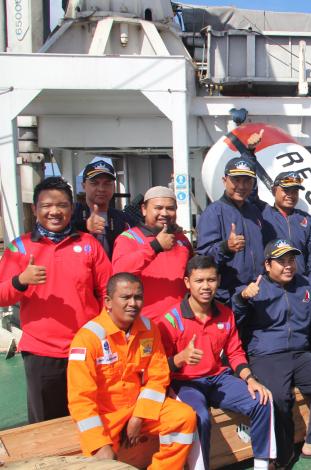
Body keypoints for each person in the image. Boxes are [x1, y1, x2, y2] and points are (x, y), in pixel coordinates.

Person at [0, 176, 111, 423]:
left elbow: (107, 292)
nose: (54, 211)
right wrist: (21, 280)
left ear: (71, 208)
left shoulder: (89, 244)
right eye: (46, 205)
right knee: (45, 426)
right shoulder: (20, 248)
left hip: (85, 348)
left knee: (89, 419)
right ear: (34, 209)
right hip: (42, 352)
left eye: (61, 205)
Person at [232, 239, 311, 465]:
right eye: (281, 261)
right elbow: (236, 319)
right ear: (267, 265)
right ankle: (282, 455)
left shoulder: (304, 285)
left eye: (291, 260)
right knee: (278, 397)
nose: (288, 266)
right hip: (266, 356)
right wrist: (243, 299)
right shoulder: (255, 287)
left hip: (299, 354)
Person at [157, 255, 275, 470]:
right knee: (198, 416)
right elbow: (157, 368)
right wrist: (179, 359)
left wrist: (250, 379)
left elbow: (235, 352)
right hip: (184, 383)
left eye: (211, 280)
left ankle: (262, 465)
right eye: (199, 281)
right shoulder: (170, 320)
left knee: (262, 399)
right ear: (187, 283)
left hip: (218, 379)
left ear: (218, 280)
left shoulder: (226, 313)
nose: (205, 286)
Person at [67, 273, 196, 468]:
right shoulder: (87, 339)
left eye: (138, 297)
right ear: (108, 302)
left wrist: (139, 416)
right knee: (104, 461)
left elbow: (158, 376)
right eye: (126, 297)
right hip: (104, 416)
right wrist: (98, 443)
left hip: (139, 408)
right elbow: (80, 398)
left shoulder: (148, 329)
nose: (133, 303)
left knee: (183, 417)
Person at [112, 186, 193, 320]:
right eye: (158, 208)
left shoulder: (182, 240)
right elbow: (119, 273)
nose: (165, 213)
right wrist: (155, 246)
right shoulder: (128, 238)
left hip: (180, 325)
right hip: (145, 326)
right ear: (144, 209)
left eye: (170, 208)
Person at [195, 158, 265, 308]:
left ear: (253, 183)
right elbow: (203, 259)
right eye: (236, 180)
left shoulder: (255, 212)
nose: (241, 186)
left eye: (247, 180)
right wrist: (225, 247)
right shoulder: (213, 213)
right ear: (224, 180)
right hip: (228, 297)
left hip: (257, 293)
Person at [261, 171, 311, 296]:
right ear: (274, 191)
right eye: (286, 190)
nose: (290, 195)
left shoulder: (306, 220)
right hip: (269, 290)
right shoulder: (262, 215)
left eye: (294, 191)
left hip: (299, 290)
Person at [72, 160, 137, 259]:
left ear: (114, 187)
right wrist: (84, 227)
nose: (101, 188)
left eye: (107, 183)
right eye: (94, 183)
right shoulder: (71, 215)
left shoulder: (124, 220)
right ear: (83, 186)